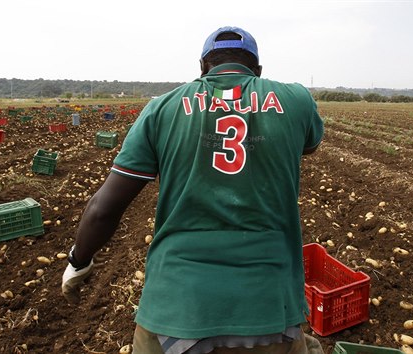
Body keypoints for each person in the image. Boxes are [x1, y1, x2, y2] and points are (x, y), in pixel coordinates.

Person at [62, 26, 325, 354]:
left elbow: (104, 208)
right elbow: (310, 145)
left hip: (175, 308)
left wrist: (79, 260)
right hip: (268, 310)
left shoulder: (162, 108)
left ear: (202, 67)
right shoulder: (296, 100)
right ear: (257, 70)